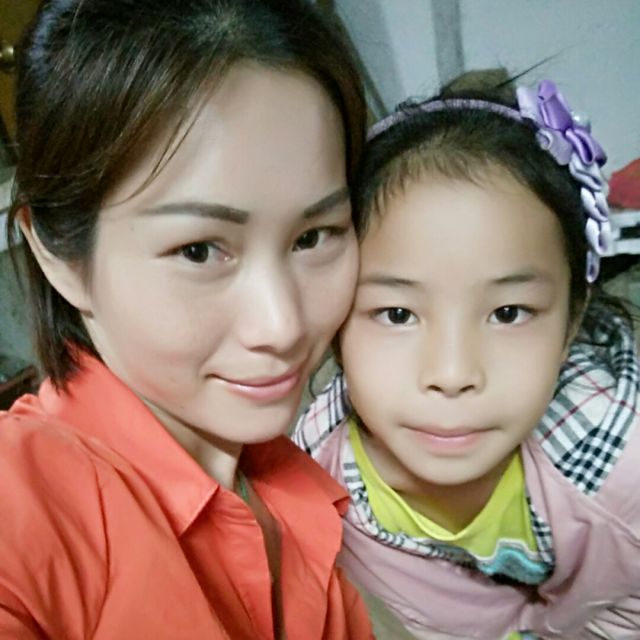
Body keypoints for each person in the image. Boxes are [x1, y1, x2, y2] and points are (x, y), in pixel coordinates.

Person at [0, 1, 375, 638]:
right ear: (59, 255)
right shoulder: (25, 509)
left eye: (313, 237)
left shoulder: (295, 480)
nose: (282, 325)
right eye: (199, 250)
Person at [294, 77, 640, 639]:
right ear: (335, 324)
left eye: (508, 313)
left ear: (572, 320)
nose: (452, 374)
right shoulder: (322, 476)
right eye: (397, 314)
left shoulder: (622, 468)